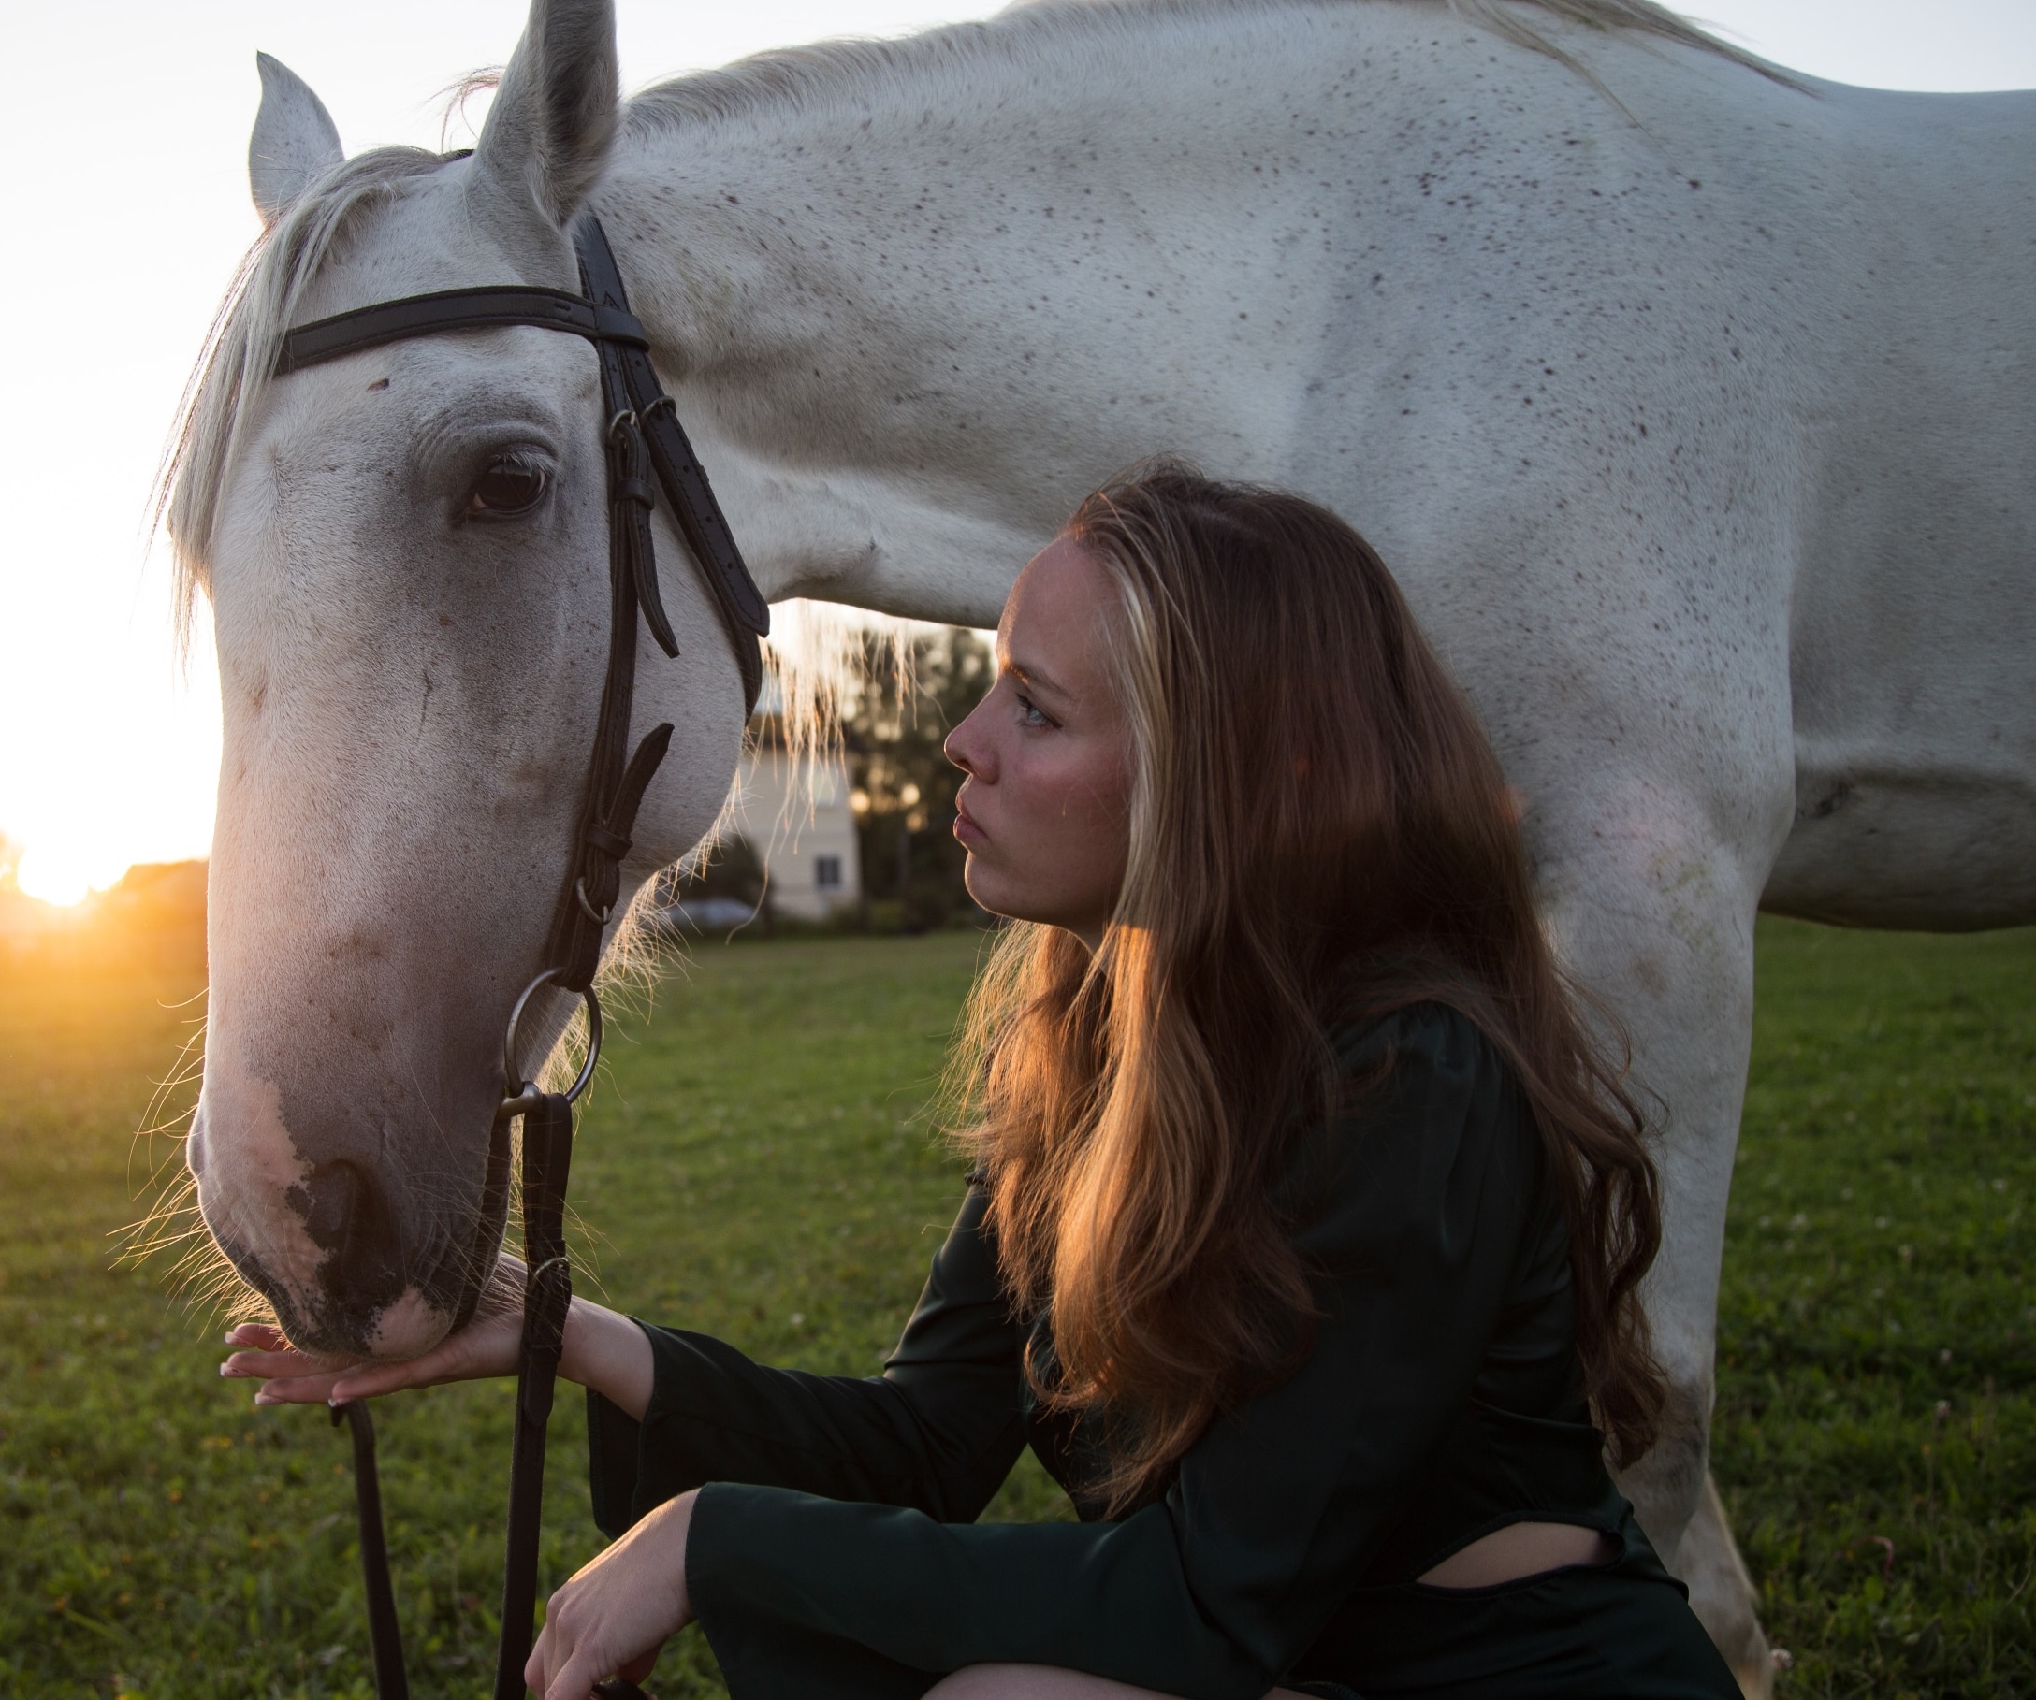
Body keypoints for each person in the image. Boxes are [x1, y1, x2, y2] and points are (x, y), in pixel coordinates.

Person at [220, 461, 1740, 1700]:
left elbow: (1207, 1601)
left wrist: (712, 1536)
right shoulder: (1099, 1048)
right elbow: (923, 1445)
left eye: (1036, 705)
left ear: (1232, 770)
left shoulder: (1415, 1074)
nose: (960, 742)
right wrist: (571, 1333)